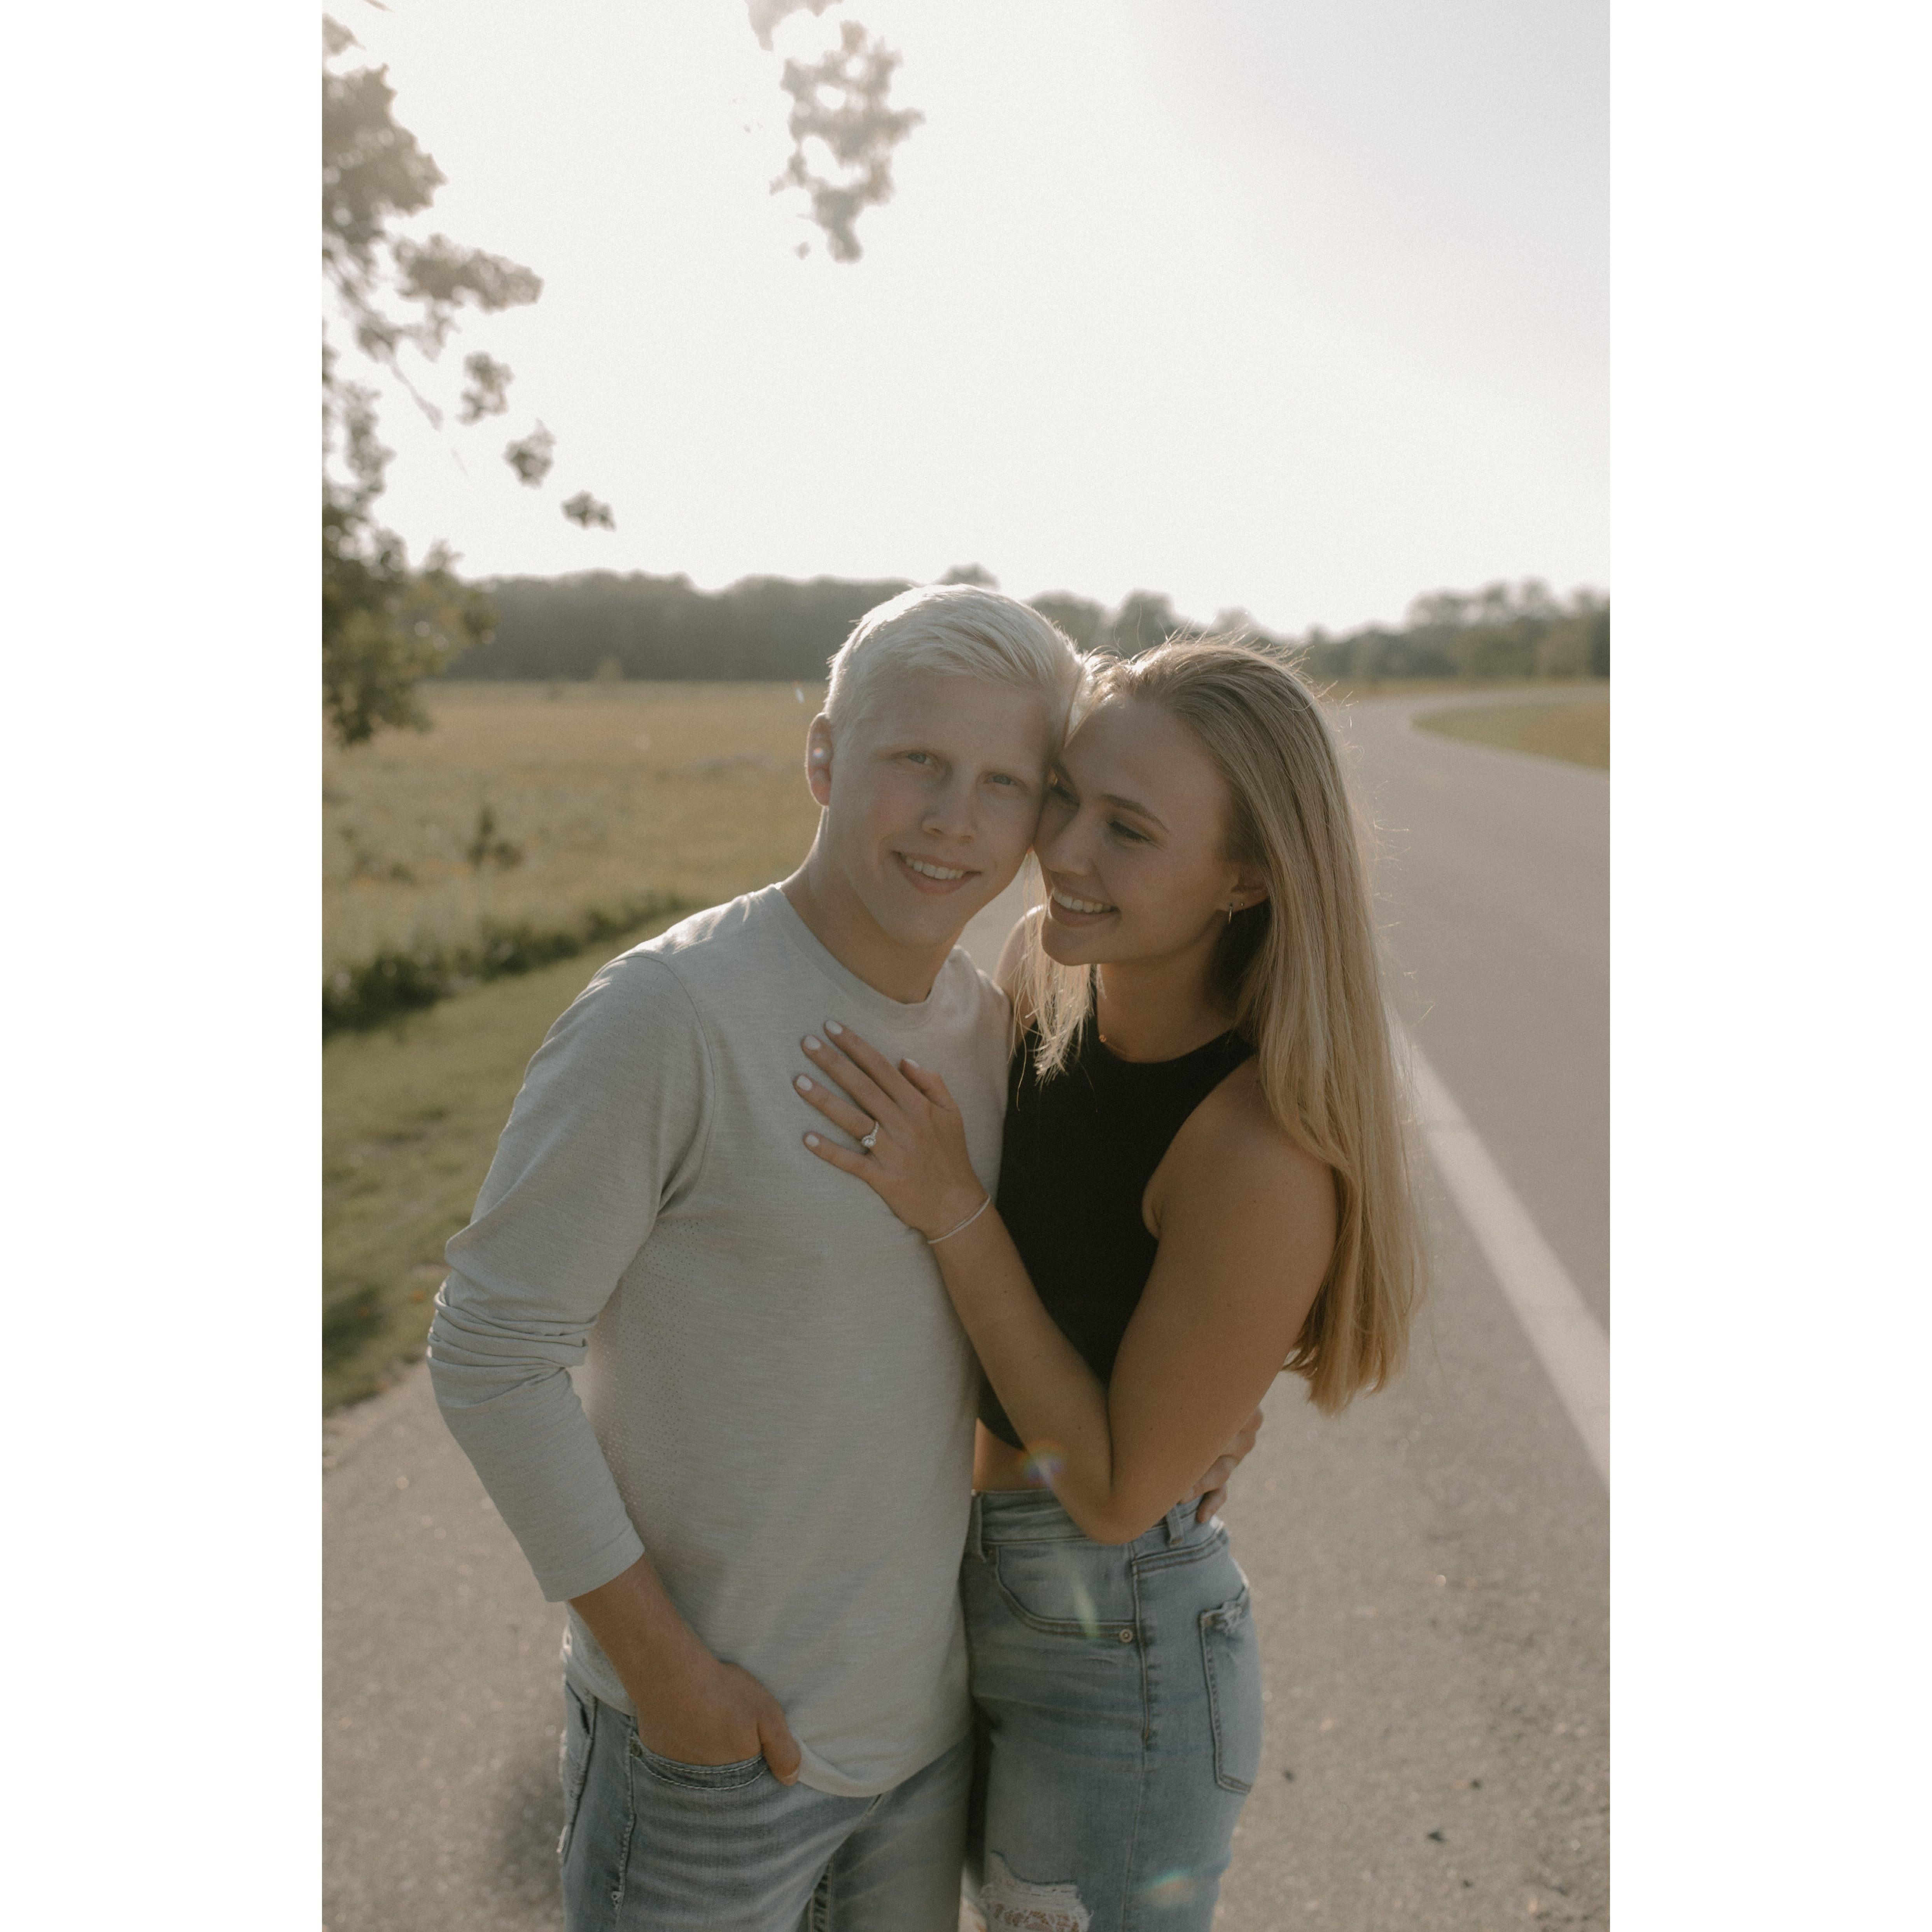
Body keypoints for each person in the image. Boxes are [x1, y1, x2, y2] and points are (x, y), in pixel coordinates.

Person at [427, 585, 1257, 1932]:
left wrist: (1195, 1421)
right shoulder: (669, 1016)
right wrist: (666, 1679)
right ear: (825, 756)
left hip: (923, 1742)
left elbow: (1029, 1305)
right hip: (705, 1749)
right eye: (917, 761)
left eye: (1007, 783)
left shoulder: (991, 1031)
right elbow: (488, 1352)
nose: (956, 821)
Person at [789, 637, 1423, 1930]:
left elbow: (1124, 1494)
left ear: (1246, 876)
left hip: (1114, 1657)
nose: (1063, 851)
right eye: (1065, 797)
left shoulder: (1257, 1151)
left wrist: (955, 1211)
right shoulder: (1045, 974)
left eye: (1127, 830)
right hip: (936, 1586)